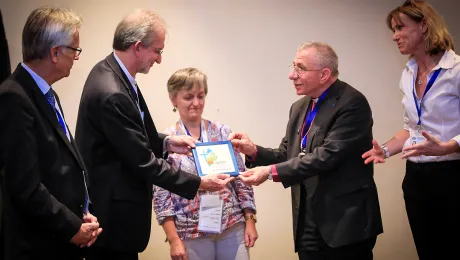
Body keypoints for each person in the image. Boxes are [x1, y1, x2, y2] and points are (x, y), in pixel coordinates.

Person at [75, 10, 233, 260]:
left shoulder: (111, 73)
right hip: (112, 221)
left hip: (113, 215)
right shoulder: (113, 91)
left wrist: (168, 142)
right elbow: (143, 162)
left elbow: (132, 135)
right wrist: (199, 183)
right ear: (138, 47)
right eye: (157, 51)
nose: (159, 60)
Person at [230, 42, 383, 260]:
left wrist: (269, 172)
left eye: (301, 68)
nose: (292, 75)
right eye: (293, 66)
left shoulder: (352, 103)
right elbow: (287, 154)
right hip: (307, 221)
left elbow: (326, 156)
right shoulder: (299, 107)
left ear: (324, 74)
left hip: (345, 222)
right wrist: (254, 151)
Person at [0, 7, 102, 260]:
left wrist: (82, 213)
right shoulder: (13, 97)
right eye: (74, 50)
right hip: (37, 246)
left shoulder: (47, 94)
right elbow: (25, 187)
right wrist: (71, 227)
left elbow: (61, 167)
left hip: (59, 238)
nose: (77, 57)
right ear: (55, 53)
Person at [362, 1, 460, 259]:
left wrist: (449, 146)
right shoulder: (408, 73)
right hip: (416, 177)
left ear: (424, 25)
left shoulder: (457, 70)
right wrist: (384, 150)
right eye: (393, 29)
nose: (394, 35)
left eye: (400, 27)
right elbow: (411, 129)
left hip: (452, 175)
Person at [153, 68, 258, 260]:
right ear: (173, 100)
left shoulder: (222, 132)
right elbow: (161, 197)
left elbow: (241, 181)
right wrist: (173, 239)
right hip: (191, 233)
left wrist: (250, 220)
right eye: (188, 97)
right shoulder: (167, 142)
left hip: (232, 226)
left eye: (201, 96)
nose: (196, 103)